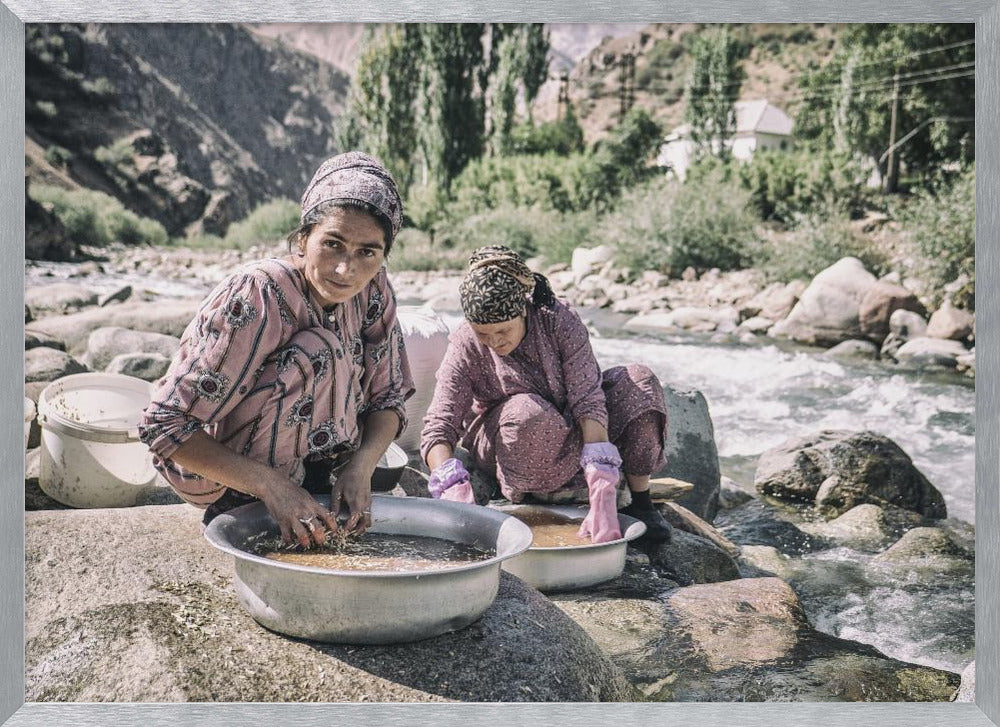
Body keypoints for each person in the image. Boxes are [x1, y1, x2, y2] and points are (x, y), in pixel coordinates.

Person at [139, 152, 414, 549]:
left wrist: (361, 467)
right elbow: (163, 424)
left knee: (334, 351)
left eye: (367, 252)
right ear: (303, 240)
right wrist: (271, 487)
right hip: (219, 473)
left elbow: (388, 395)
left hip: (311, 461)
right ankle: (246, 500)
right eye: (332, 244)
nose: (345, 270)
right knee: (319, 349)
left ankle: (316, 481)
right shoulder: (260, 294)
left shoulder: (374, 289)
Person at [420, 245, 672, 544]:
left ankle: (640, 503)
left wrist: (602, 475)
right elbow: (439, 424)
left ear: (523, 310)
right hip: (515, 440)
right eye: (483, 334)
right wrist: (450, 482)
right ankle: (535, 491)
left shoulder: (557, 318)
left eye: (503, 331)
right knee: (528, 412)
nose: (494, 342)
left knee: (638, 381)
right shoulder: (465, 342)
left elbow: (588, 396)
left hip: (574, 430)